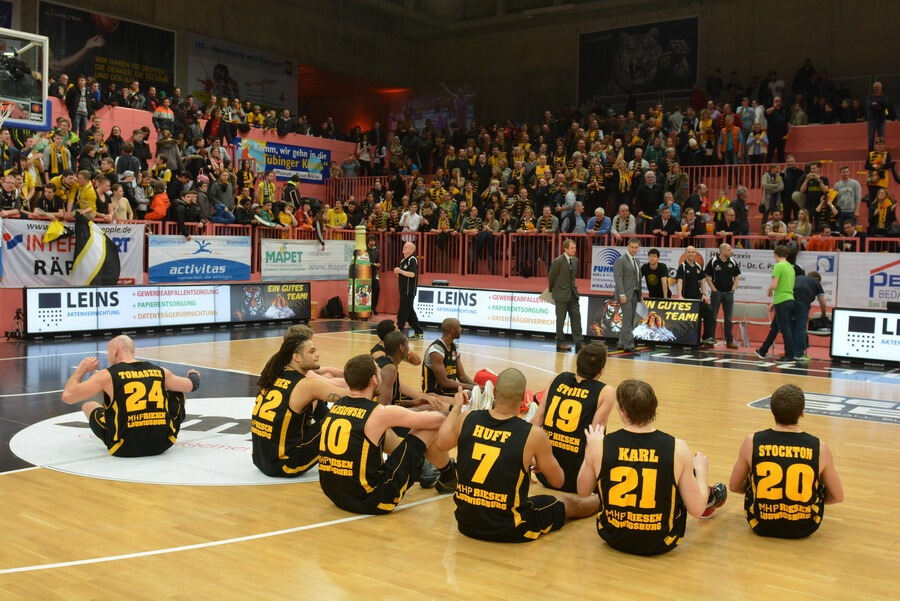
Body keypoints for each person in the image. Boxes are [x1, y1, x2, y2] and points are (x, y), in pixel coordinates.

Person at [436, 368, 600, 542]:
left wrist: (457, 408)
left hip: (466, 522)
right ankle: (602, 500)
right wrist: (539, 461)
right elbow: (558, 481)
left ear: (494, 392)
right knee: (564, 502)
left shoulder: (467, 417)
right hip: (509, 527)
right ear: (523, 397)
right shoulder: (533, 434)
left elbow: (441, 443)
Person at [577, 379, 727, 556]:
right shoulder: (678, 447)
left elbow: (582, 491)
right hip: (661, 541)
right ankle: (708, 496)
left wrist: (590, 448)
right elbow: (696, 510)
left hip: (612, 535)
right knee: (683, 472)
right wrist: (702, 473)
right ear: (654, 408)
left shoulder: (599, 445)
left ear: (622, 411)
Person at [317, 355, 457, 515]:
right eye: (379, 372)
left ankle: (431, 469)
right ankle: (448, 476)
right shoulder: (379, 413)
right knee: (428, 428)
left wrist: (413, 405)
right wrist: (458, 406)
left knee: (381, 433)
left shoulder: (337, 405)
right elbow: (438, 421)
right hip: (371, 500)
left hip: (334, 494)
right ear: (374, 380)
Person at [729, 384, 844, 538]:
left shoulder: (752, 441)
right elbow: (838, 497)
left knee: (754, 477)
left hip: (761, 524)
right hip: (805, 527)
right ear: (802, 413)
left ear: (772, 411)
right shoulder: (820, 447)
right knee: (818, 482)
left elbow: (734, 486)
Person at [61, 335, 200, 457]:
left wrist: (81, 370)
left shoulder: (106, 375)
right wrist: (193, 375)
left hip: (123, 447)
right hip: (162, 443)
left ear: (115, 350)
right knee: (177, 389)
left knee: (89, 405)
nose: (108, 356)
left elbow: (68, 396)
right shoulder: (160, 371)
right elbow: (192, 385)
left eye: (108, 351)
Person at [251, 332, 348, 477]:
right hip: (286, 464)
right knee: (342, 418)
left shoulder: (272, 376)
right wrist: (372, 380)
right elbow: (350, 395)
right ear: (296, 357)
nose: (317, 354)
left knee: (316, 401)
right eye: (312, 351)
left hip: (260, 460)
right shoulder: (305, 385)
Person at [532, 343, 616, 493]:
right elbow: (595, 440)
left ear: (577, 364)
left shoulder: (557, 379)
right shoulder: (605, 391)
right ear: (601, 370)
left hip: (545, 473)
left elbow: (536, 420)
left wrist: (528, 460)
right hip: (577, 478)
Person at [548, 238, 584, 352]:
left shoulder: (576, 260)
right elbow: (551, 277)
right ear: (566, 249)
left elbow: (572, 278)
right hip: (561, 294)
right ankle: (561, 342)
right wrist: (554, 290)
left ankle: (579, 342)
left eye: (575, 248)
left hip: (573, 294)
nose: (574, 250)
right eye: (572, 248)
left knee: (576, 318)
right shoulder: (558, 261)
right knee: (560, 320)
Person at [422, 318, 475, 395]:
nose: (461, 329)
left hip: (448, 390)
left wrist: (478, 386)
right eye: (459, 326)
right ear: (452, 330)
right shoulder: (437, 350)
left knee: (476, 394)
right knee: (471, 395)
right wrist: (470, 387)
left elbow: (462, 377)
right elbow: (443, 382)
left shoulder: (455, 348)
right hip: (434, 393)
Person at [675, 245, 714, 347]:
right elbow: (679, 282)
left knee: (709, 311)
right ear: (685, 254)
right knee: (689, 319)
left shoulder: (698, 266)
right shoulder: (682, 267)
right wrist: (680, 296)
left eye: (693, 252)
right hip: (687, 299)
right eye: (689, 252)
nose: (691, 254)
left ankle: (707, 338)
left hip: (698, 298)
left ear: (695, 254)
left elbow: (702, 281)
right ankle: (688, 339)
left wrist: (704, 294)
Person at [705, 243, 742, 349]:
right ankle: (710, 340)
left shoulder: (732, 262)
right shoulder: (713, 261)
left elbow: (737, 277)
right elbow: (707, 277)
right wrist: (714, 289)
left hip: (728, 294)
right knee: (712, 317)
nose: (731, 252)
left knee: (728, 318)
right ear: (723, 251)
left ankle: (729, 342)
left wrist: (732, 290)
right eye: (729, 250)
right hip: (716, 293)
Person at [790, 272, 828, 362]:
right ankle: (798, 354)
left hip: (789, 302)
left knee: (791, 327)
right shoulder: (816, 283)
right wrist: (823, 315)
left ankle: (789, 353)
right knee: (801, 329)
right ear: (818, 280)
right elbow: (823, 303)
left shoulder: (797, 277)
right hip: (802, 304)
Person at [767, 245, 796, 361]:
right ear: (787, 255)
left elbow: (774, 285)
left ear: (775, 255)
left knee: (785, 329)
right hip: (789, 298)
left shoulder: (778, 266)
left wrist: (769, 290)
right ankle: (763, 350)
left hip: (782, 300)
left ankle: (789, 354)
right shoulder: (790, 267)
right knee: (778, 327)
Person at [613, 238, 642, 352]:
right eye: (632, 247)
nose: (634, 249)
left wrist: (640, 294)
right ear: (628, 247)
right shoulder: (621, 260)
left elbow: (638, 279)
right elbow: (618, 278)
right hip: (624, 295)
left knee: (629, 320)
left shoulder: (637, 261)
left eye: (636, 247)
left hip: (634, 294)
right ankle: (629, 345)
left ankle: (621, 342)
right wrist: (621, 294)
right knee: (627, 320)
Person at [394, 241, 423, 339]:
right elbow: (402, 275)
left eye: (406, 247)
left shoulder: (412, 260)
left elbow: (412, 274)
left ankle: (397, 331)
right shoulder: (403, 261)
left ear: (411, 250)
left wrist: (400, 271)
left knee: (403, 311)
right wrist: (397, 272)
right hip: (402, 290)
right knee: (409, 312)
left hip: (409, 291)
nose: (404, 248)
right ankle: (419, 332)